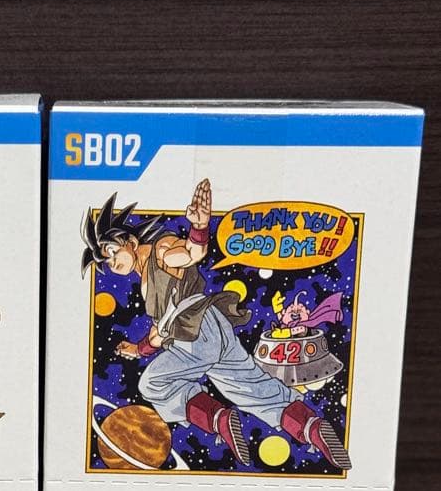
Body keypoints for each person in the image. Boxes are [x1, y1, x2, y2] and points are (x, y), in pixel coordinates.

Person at [82, 180, 351, 469]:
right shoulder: (146, 278)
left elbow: (190, 254)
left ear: (130, 242)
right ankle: (311, 428)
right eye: (105, 261)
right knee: (253, 389)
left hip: (195, 334)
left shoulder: (160, 251)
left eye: (112, 251)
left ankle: (217, 419)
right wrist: (139, 349)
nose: (111, 262)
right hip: (213, 328)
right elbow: (160, 332)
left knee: (152, 384)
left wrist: (199, 228)